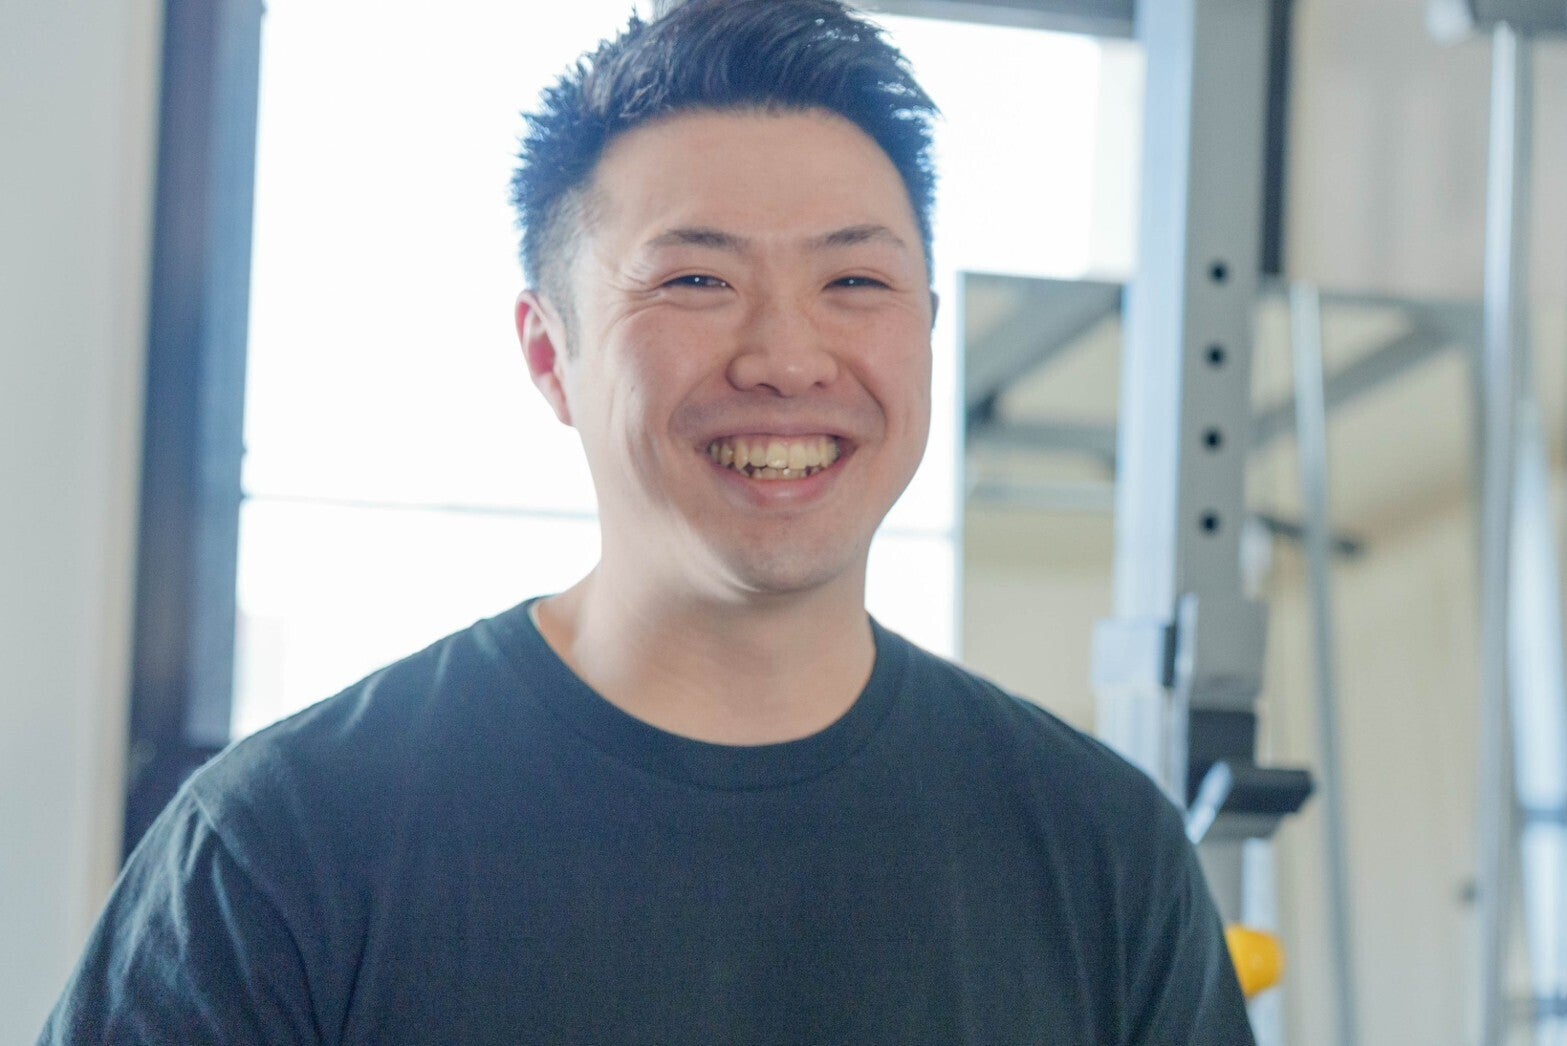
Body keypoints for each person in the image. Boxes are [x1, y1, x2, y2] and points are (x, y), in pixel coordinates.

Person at [43, 1, 1255, 1042]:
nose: (787, 356)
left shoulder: (1102, 855)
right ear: (548, 353)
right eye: (695, 279)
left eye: (854, 280)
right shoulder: (285, 846)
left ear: (927, 330)